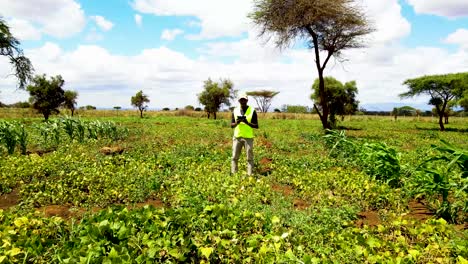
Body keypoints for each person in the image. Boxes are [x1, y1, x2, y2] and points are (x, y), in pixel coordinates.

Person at [231, 92, 258, 175]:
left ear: (247, 100)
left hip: (248, 137)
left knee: (249, 158)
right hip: (237, 137)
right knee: (234, 157)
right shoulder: (235, 110)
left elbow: (256, 126)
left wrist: (247, 122)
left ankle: (249, 175)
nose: (243, 101)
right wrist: (237, 122)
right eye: (241, 100)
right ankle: (233, 174)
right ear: (239, 101)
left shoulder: (252, 111)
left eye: (244, 100)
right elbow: (232, 125)